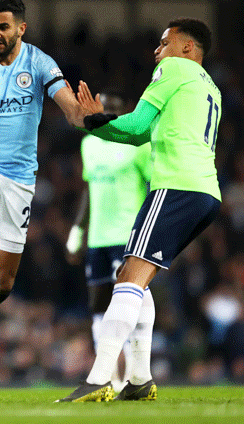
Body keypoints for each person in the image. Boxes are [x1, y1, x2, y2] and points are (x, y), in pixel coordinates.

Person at [59, 17, 221, 402]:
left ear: (187, 48)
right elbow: (138, 135)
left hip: (175, 185)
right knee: (139, 279)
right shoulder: (207, 85)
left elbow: (134, 125)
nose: (157, 50)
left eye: (165, 42)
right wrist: (94, 125)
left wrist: (92, 119)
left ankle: (99, 378)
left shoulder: (174, 68)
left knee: (128, 277)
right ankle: (139, 379)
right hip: (205, 192)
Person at [0, 0, 101, 354]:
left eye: (2, 27)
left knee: (7, 286)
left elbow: (71, 112)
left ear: (21, 29)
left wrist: (88, 116)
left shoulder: (40, 63)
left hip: (19, 177)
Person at [65, 93, 151, 393]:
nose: (106, 114)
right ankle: (110, 377)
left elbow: (155, 187)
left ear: (121, 112)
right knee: (98, 306)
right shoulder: (89, 143)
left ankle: (133, 375)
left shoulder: (137, 144)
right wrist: (77, 231)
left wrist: (154, 232)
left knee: (130, 307)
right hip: (98, 239)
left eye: (112, 109)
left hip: (129, 236)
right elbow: (89, 190)